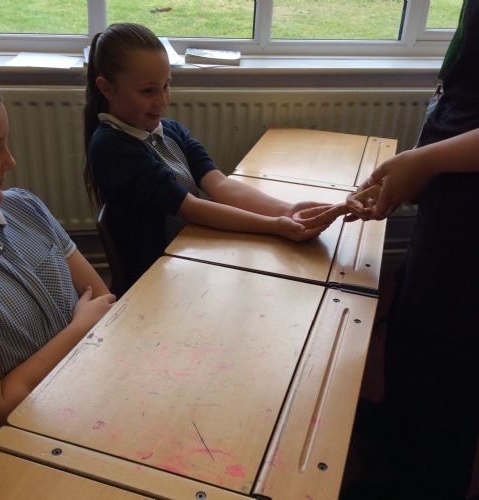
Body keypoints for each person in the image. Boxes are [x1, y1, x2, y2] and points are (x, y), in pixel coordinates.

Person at [312, 2, 479, 498]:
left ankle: (426, 481)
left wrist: (424, 162)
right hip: (452, 203)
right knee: (412, 326)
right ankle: (396, 436)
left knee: (448, 365)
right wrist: (424, 167)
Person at [83, 23, 332, 293]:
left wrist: (287, 211)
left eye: (166, 85)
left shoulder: (172, 131)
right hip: (154, 282)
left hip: (188, 257)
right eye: (148, 91)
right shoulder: (111, 148)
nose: (162, 100)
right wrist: (274, 226)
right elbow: (191, 208)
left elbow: (220, 185)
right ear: (106, 88)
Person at [0, 74, 116, 443]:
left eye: (5, 144)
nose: (10, 160)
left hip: (93, 398)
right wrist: (78, 329)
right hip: (30, 441)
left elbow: (103, 302)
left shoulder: (25, 207)